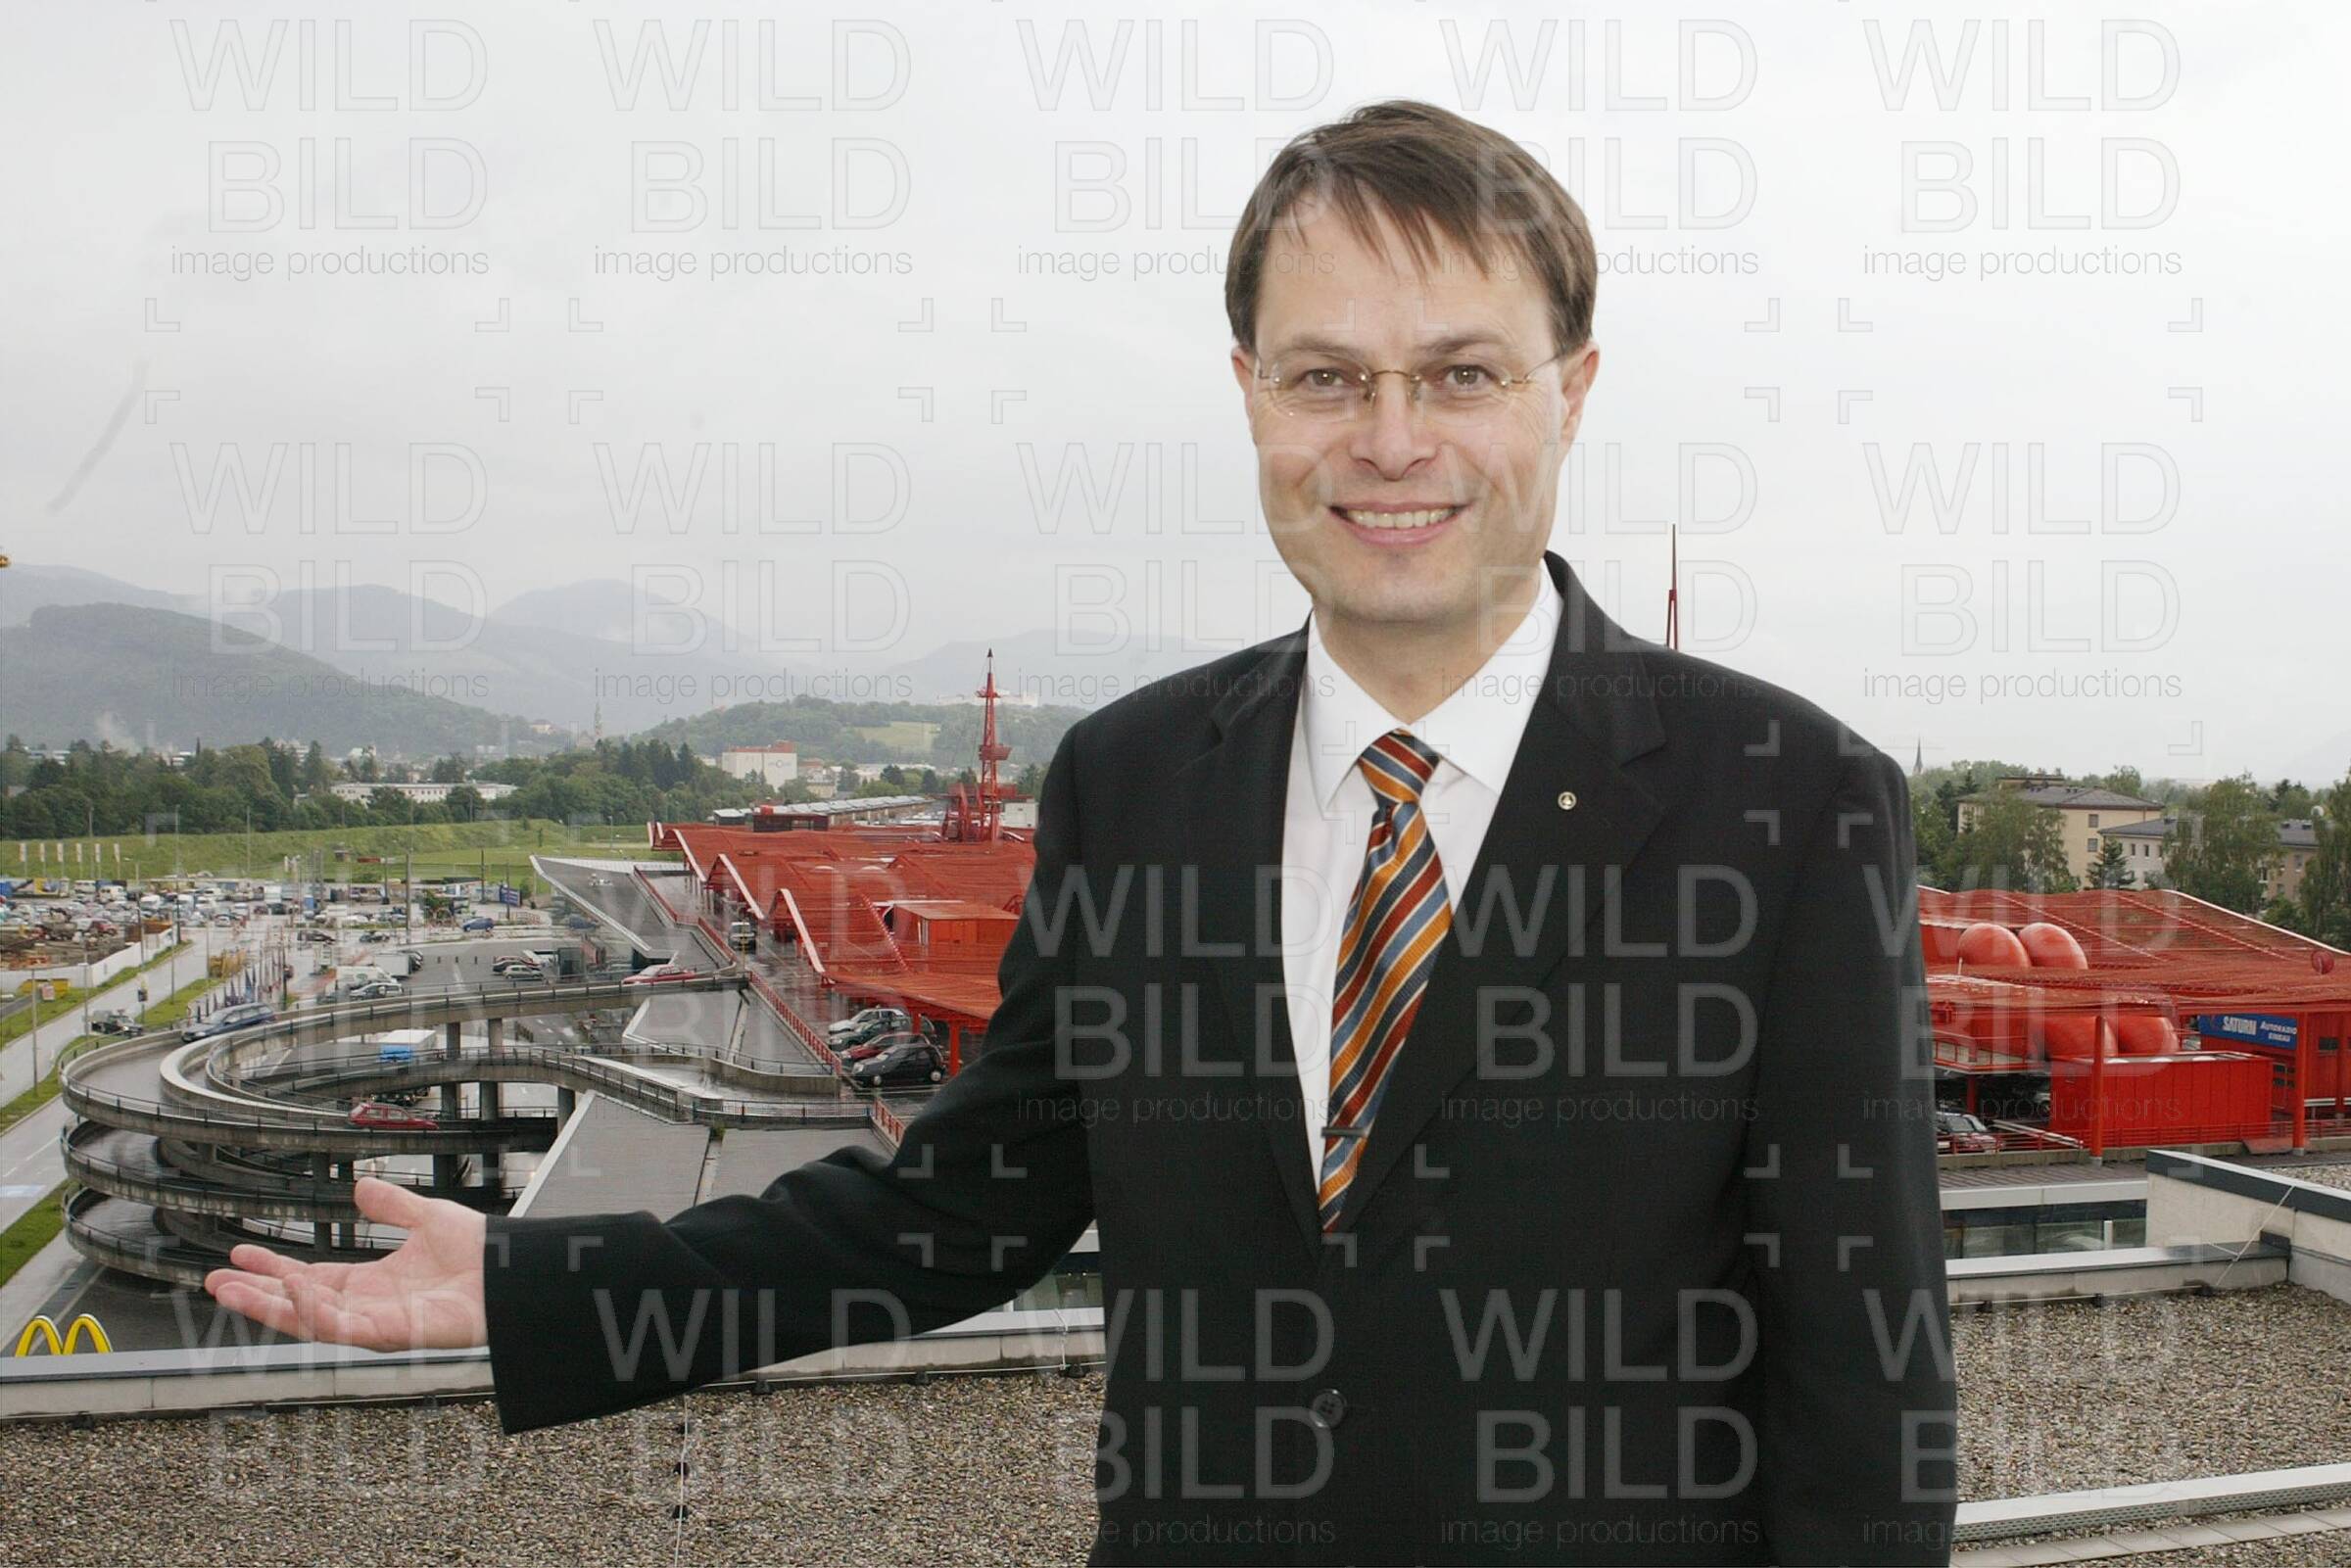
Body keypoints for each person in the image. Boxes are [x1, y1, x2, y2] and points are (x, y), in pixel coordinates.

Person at [205, 100, 1957, 1565]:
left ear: (1573, 388)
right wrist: (537, 1287)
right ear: (1250, 391)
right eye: (1327, 376)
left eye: (1463, 373)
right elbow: (958, 1207)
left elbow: (1865, 1390)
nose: (1391, 440)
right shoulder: (1136, 784)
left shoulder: (1787, 803)